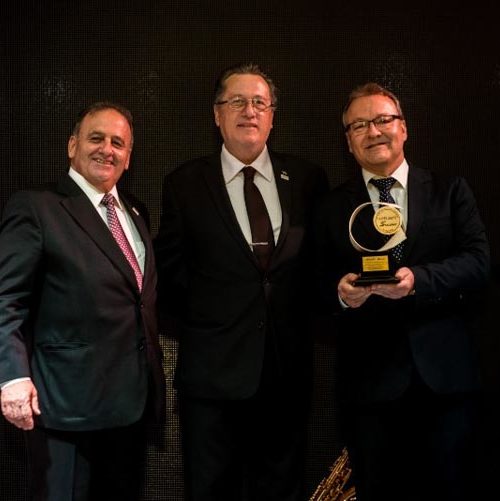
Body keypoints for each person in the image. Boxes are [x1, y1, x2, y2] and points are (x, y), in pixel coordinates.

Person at [154, 63, 329, 501]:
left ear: (272, 116)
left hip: (286, 376)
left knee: (282, 490)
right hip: (212, 379)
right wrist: (216, 318)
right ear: (217, 115)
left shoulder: (307, 180)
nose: (249, 111)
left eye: (259, 103)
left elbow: (316, 268)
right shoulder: (184, 183)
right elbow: (170, 275)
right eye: (236, 101)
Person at [313, 83, 490, 501]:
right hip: (369, 389)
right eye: (359, 125)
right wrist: (340, 293)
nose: (373, 131)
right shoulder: (331, 207)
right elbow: (311, 283)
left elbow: (479, 262)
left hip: (445, 383)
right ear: (348, 142)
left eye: (382, 120)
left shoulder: (449, 190)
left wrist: (419, 281)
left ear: (404, 128)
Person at [0, 102, 166, 501]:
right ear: (72, 145)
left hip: (130, 409)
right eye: (96, 138)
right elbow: (6, 297)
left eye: (118, 143)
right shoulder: (37, 207)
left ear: (128, 157)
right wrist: (12, 376)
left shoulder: (135, 212)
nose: (107, 149)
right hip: (65, 408)